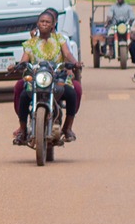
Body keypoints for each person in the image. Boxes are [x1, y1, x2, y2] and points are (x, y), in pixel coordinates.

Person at [10, 8, 82, 145]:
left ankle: (67, 128)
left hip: (56, 78)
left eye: (48, 22)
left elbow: (67, 54)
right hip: (36, 79)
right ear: (37, 24)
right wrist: (17, 66)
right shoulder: (30, 43)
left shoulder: (60, 39)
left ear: (53, 25)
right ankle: (23, 131)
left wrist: (74, 63)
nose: (44, 24)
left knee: (72, 94)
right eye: (42, 21)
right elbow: (24, 59)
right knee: (24, 97)